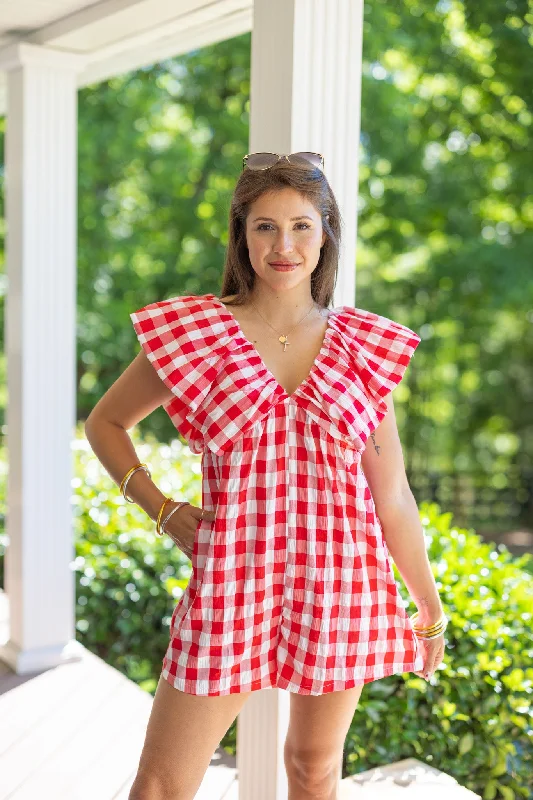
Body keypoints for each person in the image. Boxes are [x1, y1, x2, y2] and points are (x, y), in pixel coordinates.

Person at [85, 152, 446, 800]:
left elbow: (390, 495)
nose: (283, 245)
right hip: (230, 582)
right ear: (241, 234)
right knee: (162, 783)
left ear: (325, 233)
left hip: (339, 585)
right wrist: (161, 507)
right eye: (264, 227)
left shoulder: (361, 346)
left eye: (301, 226)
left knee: (313, 770)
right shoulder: (195, 334)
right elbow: (105, 423)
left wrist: (426, 604)